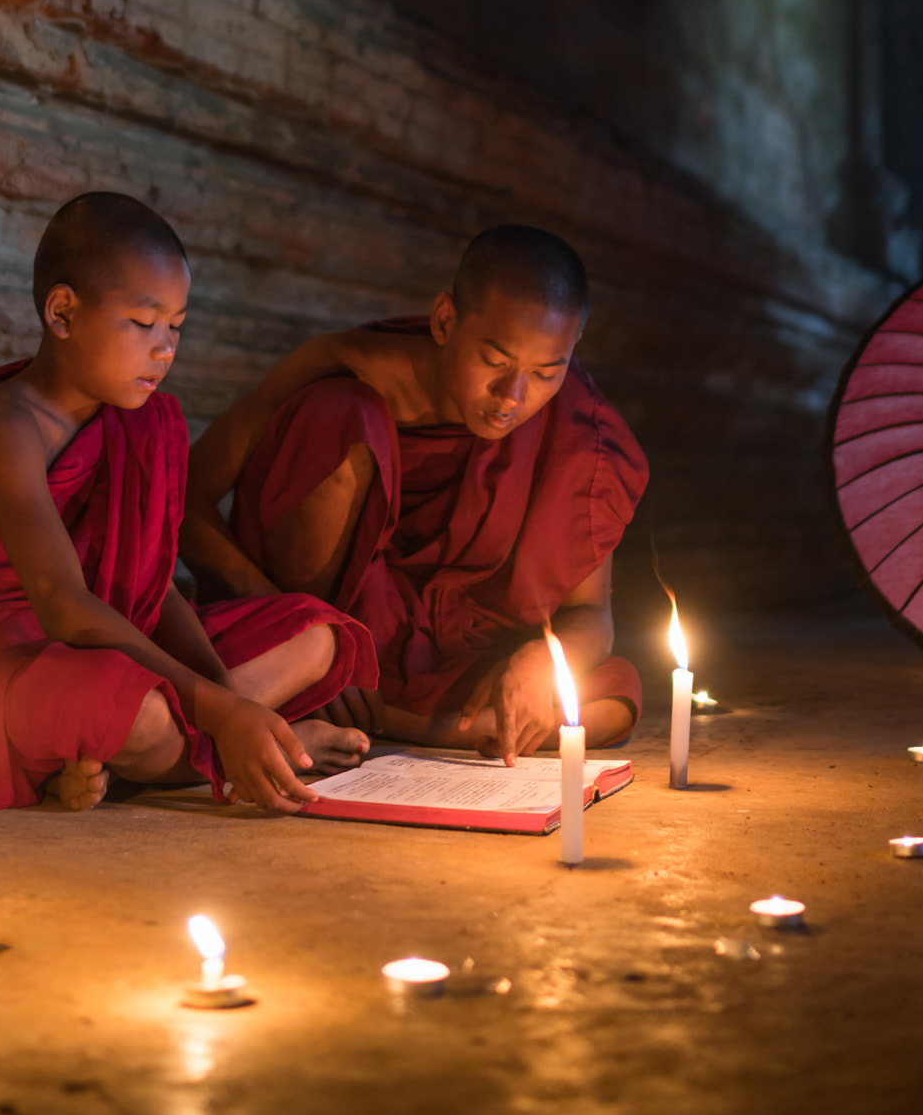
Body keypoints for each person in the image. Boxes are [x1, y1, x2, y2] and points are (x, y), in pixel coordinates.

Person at [0, 193, 377, 812]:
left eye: (177, 327)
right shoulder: (5, 425)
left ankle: (157, 757)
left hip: (99, 640)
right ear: (62, 313)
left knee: (314, 634)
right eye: (142, 322)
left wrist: (225, 702)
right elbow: (62, 607)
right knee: (134, 713)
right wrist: (222, 713)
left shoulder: (137, 423)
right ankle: (244, 748)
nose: (165, 349)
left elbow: (149, 586)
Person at [181, 224, 647, 762]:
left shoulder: (579, 430)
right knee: (340, 416)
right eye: (495, 362)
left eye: (546, 372)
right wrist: (304, 632)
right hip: (341, 616)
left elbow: (594, 615)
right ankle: (333, 690)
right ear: (445, 320)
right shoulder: (352, 364)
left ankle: (405, 721)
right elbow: (186, 500)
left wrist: (542, 663)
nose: (512, 398)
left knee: (614, 693)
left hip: (464, 646)